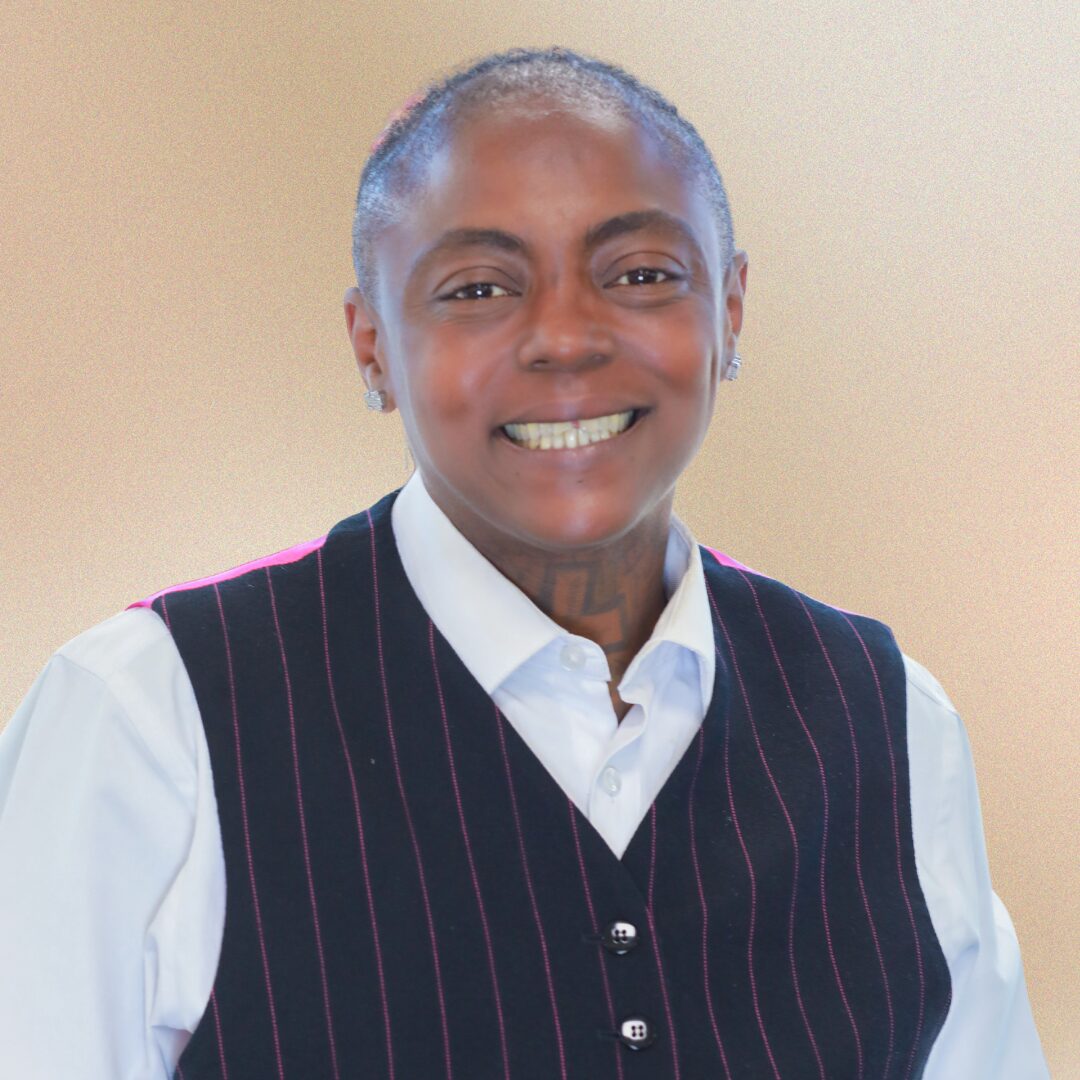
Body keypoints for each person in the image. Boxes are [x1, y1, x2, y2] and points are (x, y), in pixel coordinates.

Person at [0, 45, 1049, 1080]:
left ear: (729, 311)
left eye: (641, 274)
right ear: (372, 345)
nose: (565, 338)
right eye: (477, 288)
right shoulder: (151, 721)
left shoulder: (883, 720)